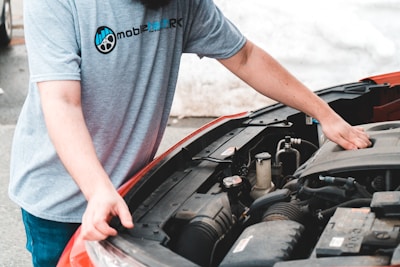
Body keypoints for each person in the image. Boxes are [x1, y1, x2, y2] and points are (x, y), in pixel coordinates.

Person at [8, 0, 371, 266]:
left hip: (133, 188)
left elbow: (243, 56)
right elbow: (61, 102)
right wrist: (98, 190)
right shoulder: (58, 3)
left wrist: (325, 114)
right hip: (62, 199)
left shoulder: (183, 2)